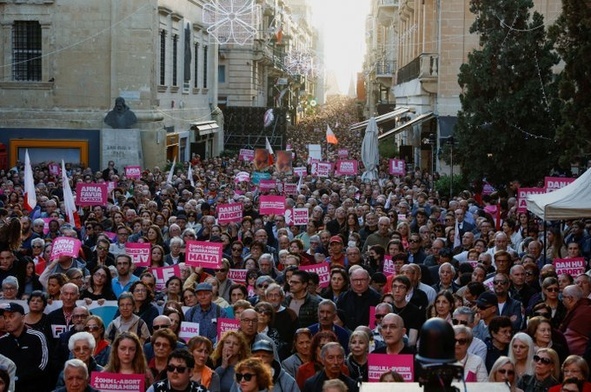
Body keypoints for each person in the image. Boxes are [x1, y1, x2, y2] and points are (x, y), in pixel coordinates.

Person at [0, 302, 49, 392]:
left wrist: (18, 378)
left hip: (34, 387)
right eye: (5, 317)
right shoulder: (2, 341)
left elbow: (43, 365)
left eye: (11, 316)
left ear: (23, 317)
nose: (6, 320)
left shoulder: (37, 337)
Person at [560, 284, 591, 356]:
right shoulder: (580, 308)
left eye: (563, 297)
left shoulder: (583, 313)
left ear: (570, 299)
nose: (562, 300)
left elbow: (571, 341)